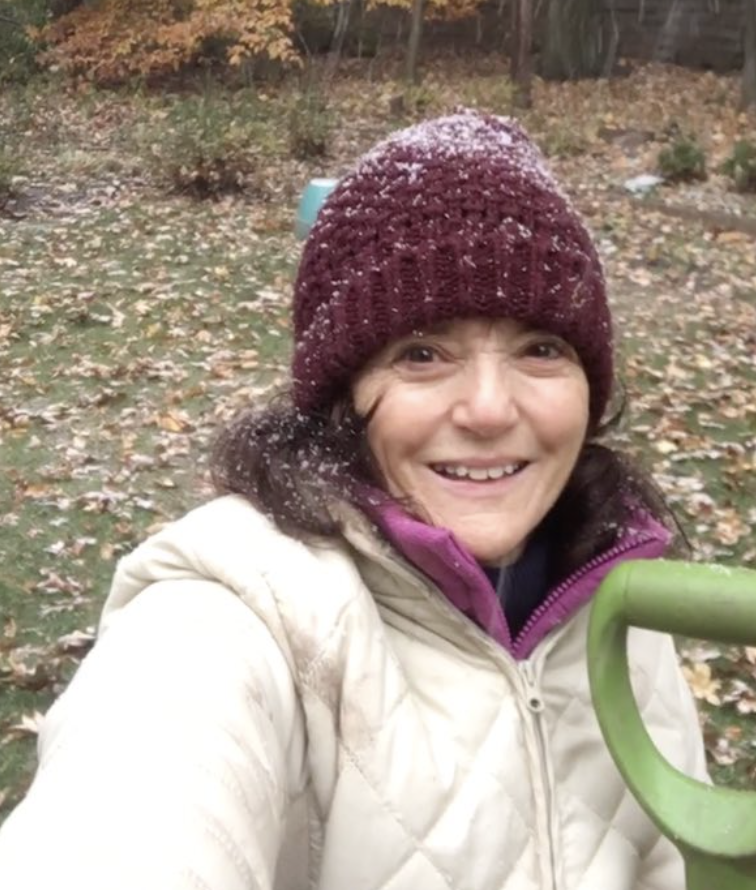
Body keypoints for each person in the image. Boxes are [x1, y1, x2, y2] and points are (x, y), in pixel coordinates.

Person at [0, 110, 708, 890]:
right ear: (341, 396)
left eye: (541, 349)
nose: (488, 409)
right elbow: (124, 815)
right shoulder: (239, 609)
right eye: (423, 354)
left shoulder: (624, 607)